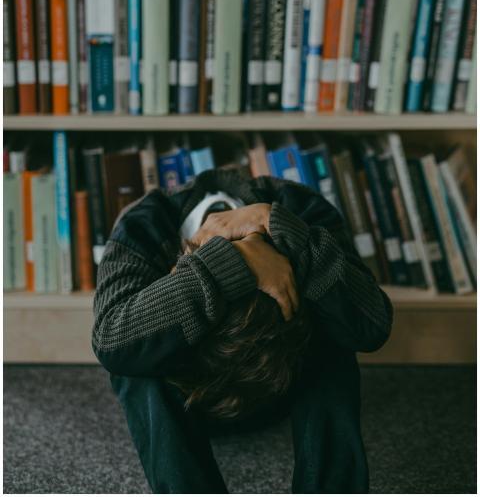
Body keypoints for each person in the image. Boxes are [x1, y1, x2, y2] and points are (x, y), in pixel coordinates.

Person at [92, 167, 393, 494]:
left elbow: (371, 324)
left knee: (336, 318)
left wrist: (280, 225)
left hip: (278, 384)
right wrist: (229, 263)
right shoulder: (143, 222)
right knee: (133, 355)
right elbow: (109, 340)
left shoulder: (299, 206)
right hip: (194, 396)